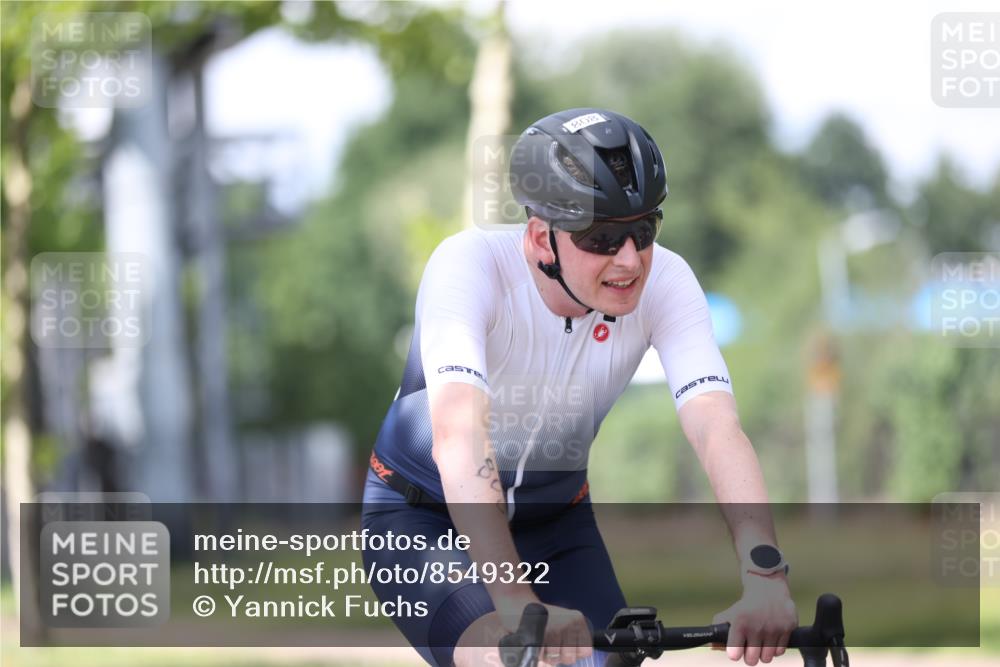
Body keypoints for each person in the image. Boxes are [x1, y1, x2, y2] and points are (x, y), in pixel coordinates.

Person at [361, 108, 797, 667]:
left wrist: (764, 575)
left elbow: (716, 427)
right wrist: (515, 600)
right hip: (426, 518)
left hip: (557, 522)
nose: (630, 260)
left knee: (608, 662)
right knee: (502, 656)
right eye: (602, 238)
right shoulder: (469, 266)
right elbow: (457, 431)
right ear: (542, 238)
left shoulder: (667, 280)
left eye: (644, 231)